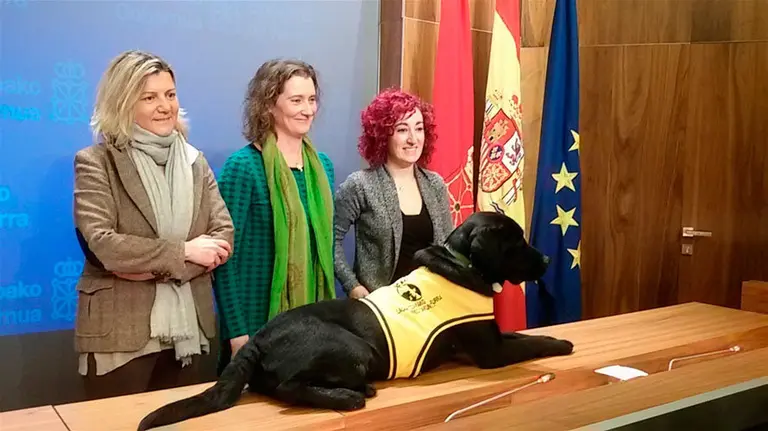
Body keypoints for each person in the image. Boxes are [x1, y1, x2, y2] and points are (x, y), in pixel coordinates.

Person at [73, 50, 234, 399]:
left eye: (170, 95)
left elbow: (222, 238)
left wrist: (147, 267)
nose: (165, 106)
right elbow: (105, 246)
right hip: (120, 335)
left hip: (190, 331)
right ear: (123, 102)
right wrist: (185, 252)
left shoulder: (195, 161)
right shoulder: (96, 163)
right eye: (150, 97)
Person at [213, 59, 335, 372]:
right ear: (269, 105)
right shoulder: (244, 167)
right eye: (296, 100)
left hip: (312, 326)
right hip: (255, 328)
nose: (307, 109)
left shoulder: (324, 168)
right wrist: (237, 332)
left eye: (311, 99)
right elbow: (225, 259)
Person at [334, 88, 454, 299]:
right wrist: (352, 285)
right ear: (382, 135)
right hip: (379, 309)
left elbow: (447, 248)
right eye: (402, 130)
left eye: (419, 128)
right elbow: (329, 240)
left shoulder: (435, 184)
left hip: (430, 304)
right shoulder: (360, 185)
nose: (413, 139)